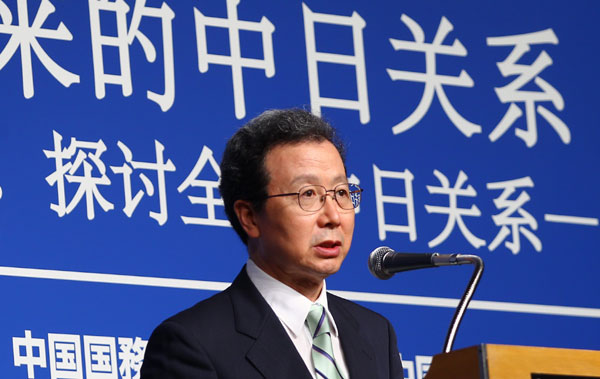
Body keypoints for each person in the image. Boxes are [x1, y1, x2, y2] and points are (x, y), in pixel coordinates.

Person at [141, 109, 403, 378]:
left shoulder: (376, 333)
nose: (333, 216)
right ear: (250, 217)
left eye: (341, 192)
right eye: (308, 194)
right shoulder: (191, 343)